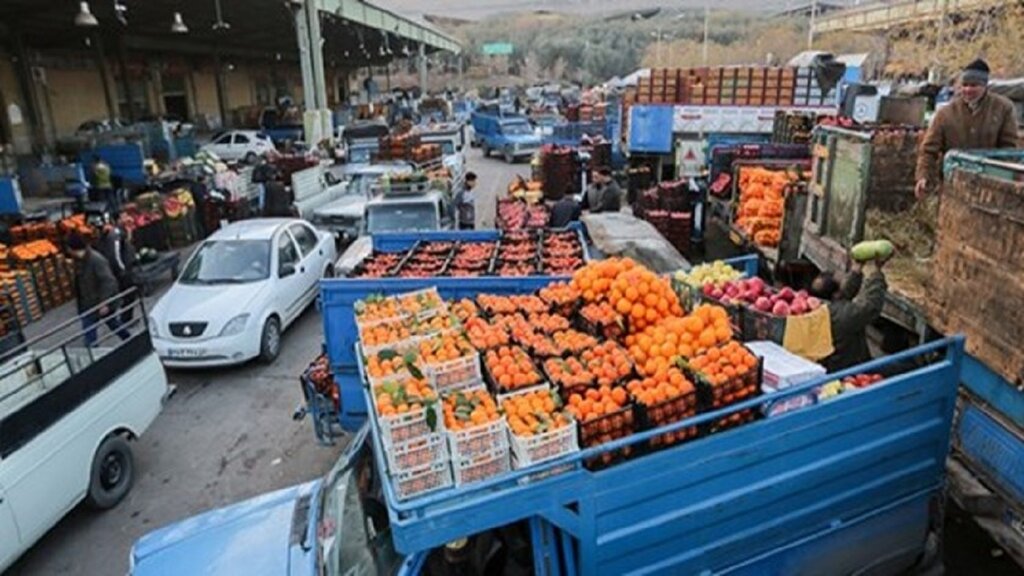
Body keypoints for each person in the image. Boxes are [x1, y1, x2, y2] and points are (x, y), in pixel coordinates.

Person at [915, 59, 1019, 199]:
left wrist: (1005, 180)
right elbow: (928, 150)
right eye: (964, 85)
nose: (968, 90)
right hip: (954, 184)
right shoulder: (946, 113)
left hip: (989, 186)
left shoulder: (1003, 109)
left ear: (985, 86)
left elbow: (1008, 149)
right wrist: (923, 177)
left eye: (974, 85)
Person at [808, 256, 890, 373]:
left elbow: (843, 294)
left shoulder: (821, 308)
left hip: (831, 364)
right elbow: (871, 306)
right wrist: (877, 272)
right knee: (901, 367)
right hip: (850, 369)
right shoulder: (844, 315)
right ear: (835, 293)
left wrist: (856, 270)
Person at [68, 232, 130, 346]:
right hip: (88, 305)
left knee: (113, 324)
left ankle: (129, 340)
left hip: (99, 303)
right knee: (92, 333)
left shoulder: (96, 260)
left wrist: (104, 302)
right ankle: (95, 353)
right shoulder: (79, 261)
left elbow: (109, 281)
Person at [98, 221, 138, 324]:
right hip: (121, 271)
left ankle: (125, 318)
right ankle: (125, 319)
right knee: (128, 294)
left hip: (117, 270)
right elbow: (115, 256)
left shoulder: (108, 236)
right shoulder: (115, 234)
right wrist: (122, 269)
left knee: (125, 295)